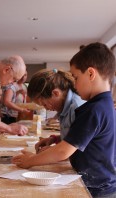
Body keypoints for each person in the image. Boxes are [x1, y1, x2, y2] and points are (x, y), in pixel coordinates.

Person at [13, 42, 116, 197]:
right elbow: (85, 136)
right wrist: (57, 138)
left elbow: (63, 151)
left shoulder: (93, 110)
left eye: (76, 77)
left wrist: (30, 161)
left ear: (90, 74)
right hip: (104, 185)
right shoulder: (104, 106)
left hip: (96, 190)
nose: (73, 83)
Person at [26, 69, 85, 153]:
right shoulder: (64, 108)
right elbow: (73, 137)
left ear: (56, 93)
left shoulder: (77, 108)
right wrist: (55, 139)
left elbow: (79, 148)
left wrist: (52, 151)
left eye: (45, 104)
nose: (46, 108)